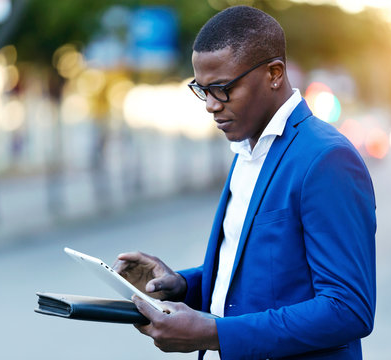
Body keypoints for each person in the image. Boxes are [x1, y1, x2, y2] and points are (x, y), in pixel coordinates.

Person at [113, 5, 376, 360]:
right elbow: (260, 274)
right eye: (202, 90)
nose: (210, 105)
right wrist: (184, 285)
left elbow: (348, 309)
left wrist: (212, 332)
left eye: (222, 89)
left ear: (274, 74)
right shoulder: (247, 151)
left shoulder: (325, 159)